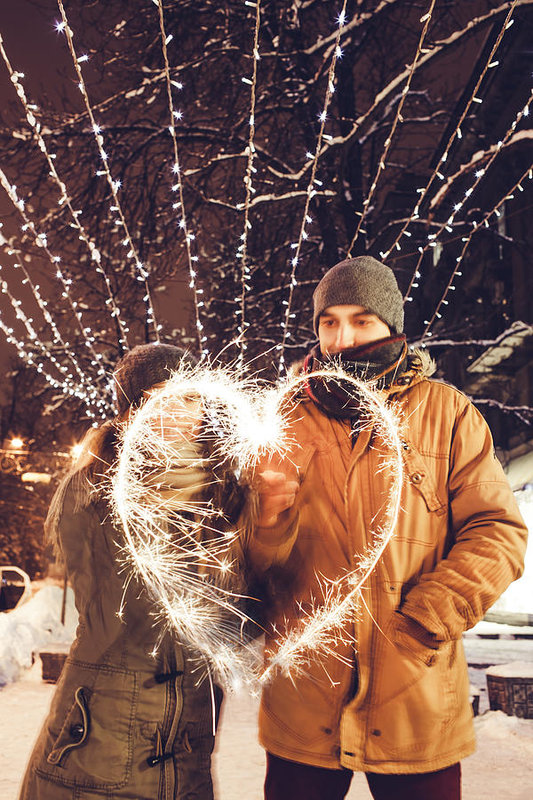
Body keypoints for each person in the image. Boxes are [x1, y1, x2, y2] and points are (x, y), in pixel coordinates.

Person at [248, 256, 528, 800]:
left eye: (361, 320)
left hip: (415, 690)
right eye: (329, 322)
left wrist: (430, 616)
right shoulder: (280, 420)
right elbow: (243, 562)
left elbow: (497, 530)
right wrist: (264, 523)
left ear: (391, 325)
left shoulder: (446, 413)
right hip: (305, 693)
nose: (343, 338)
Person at [18, 343, 234, 800]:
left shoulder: (223, 494)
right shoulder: (96, 490)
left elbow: (238, 622)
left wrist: (272, 522)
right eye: (157, 398)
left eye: (188, 397)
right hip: (100, 739)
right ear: (130, 414)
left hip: (187, 747)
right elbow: (132, 612)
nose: (176, 412)